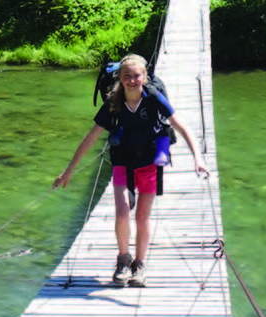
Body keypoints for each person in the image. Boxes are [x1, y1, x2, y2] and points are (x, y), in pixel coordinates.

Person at [52, 54, 208, 287]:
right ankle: (123, 260)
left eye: (137, 76)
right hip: (122, 160)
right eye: (127, 76)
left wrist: (198, 158)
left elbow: (180, 125)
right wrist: (68, 171)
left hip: (149, 161)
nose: (132, 81)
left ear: (145, 77)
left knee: (142, 216)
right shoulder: (114, 103)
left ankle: (139, 264)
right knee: (122, 211)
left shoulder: (154, 98)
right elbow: (90, 138)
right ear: (120, 78)